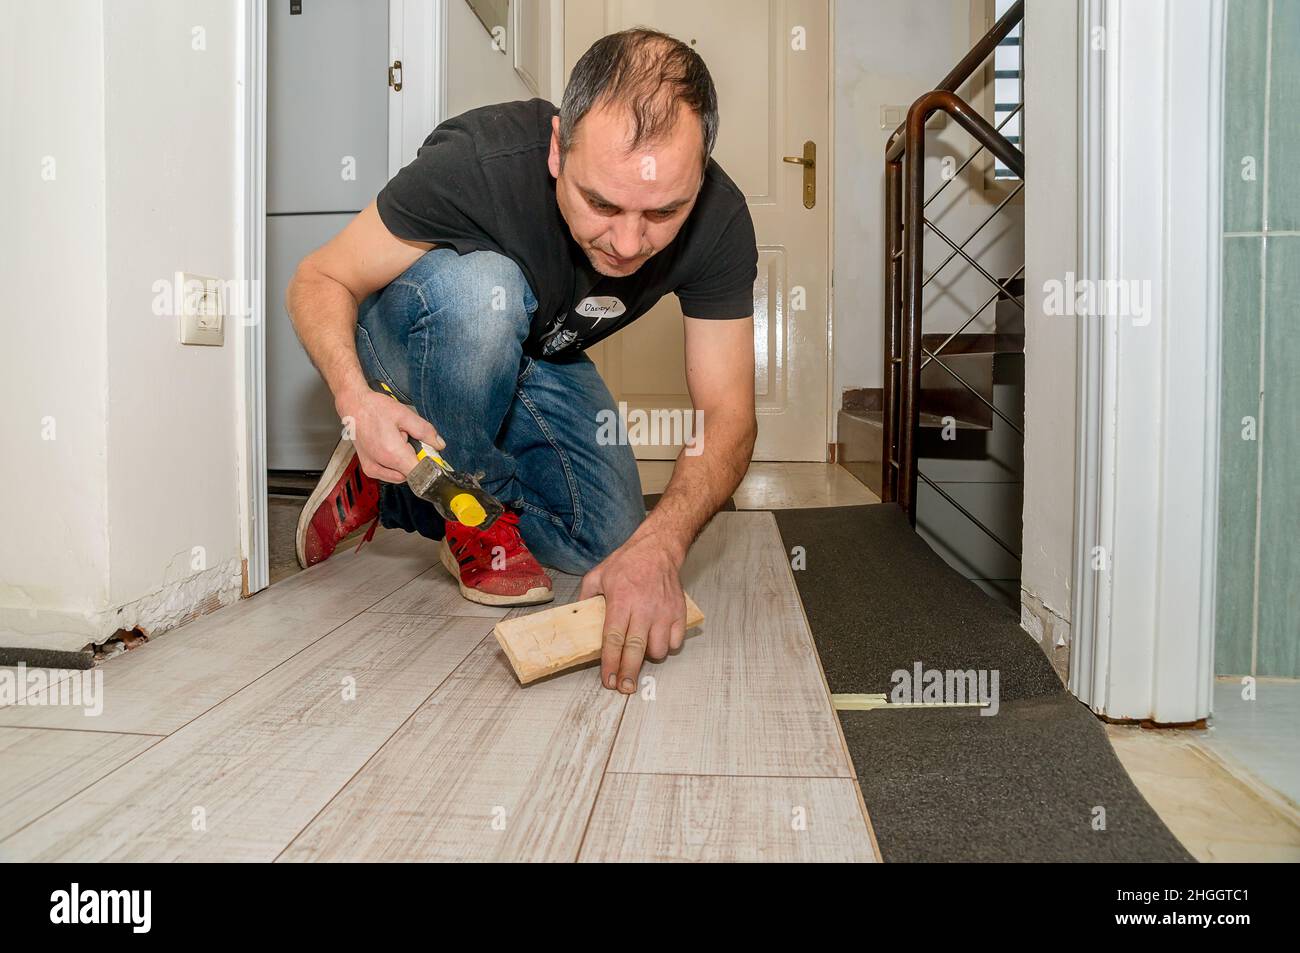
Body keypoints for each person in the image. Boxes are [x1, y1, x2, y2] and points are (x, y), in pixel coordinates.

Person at [287, 28, 757, 694]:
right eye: (601, 203)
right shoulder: (480, 163)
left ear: (700, 176)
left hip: (536, 353)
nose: (627, 243)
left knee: (610, 542)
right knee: (486, 298)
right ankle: (467, 508)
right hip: (421, 335)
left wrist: (662, 543)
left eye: (663, 211)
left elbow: (729, 413)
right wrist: (355, 400)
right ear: (559, 149)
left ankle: (401, 486)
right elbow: (318, 278)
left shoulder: (721, 222)